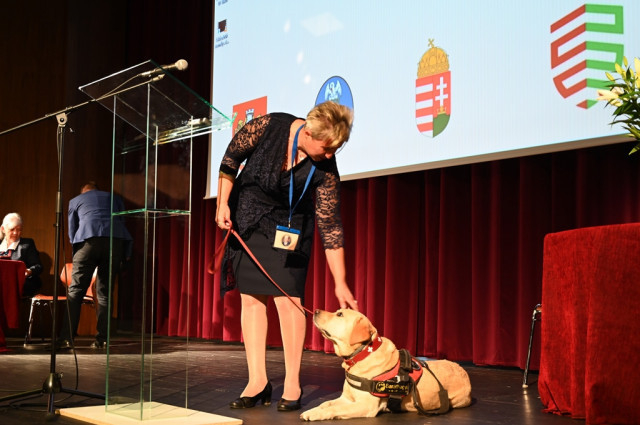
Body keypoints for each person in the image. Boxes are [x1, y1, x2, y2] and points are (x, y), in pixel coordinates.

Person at [216, 101, 359, 412]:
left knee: (289, 299)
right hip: (250, 217)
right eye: (327, 147)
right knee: (251, 299)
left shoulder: (326, 168)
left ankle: (292, 382)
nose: (331, 155)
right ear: (308, 133)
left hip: (290, 229)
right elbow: (230, 160)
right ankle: (257, 381)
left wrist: (340, 282)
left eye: (336, 149)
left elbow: (330, 225)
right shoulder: (269, 126)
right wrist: (222, 203)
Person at [58, 182, 132, 349]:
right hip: (114, 242)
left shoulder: (75, 200)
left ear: (83, 192)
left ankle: (66, 339)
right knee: (105, 293)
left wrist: (77, 253)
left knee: (76, 292)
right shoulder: (115, 198)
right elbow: (122, 222)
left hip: (87, 241)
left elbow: (72, 231)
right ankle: (103, 340)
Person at [0, 212, 43, 297]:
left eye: (19, 230)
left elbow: (38, 266)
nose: (16, 233)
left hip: (20, 283)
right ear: (3, 229)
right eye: (12, 229)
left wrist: (29, 271)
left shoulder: (27, 244)